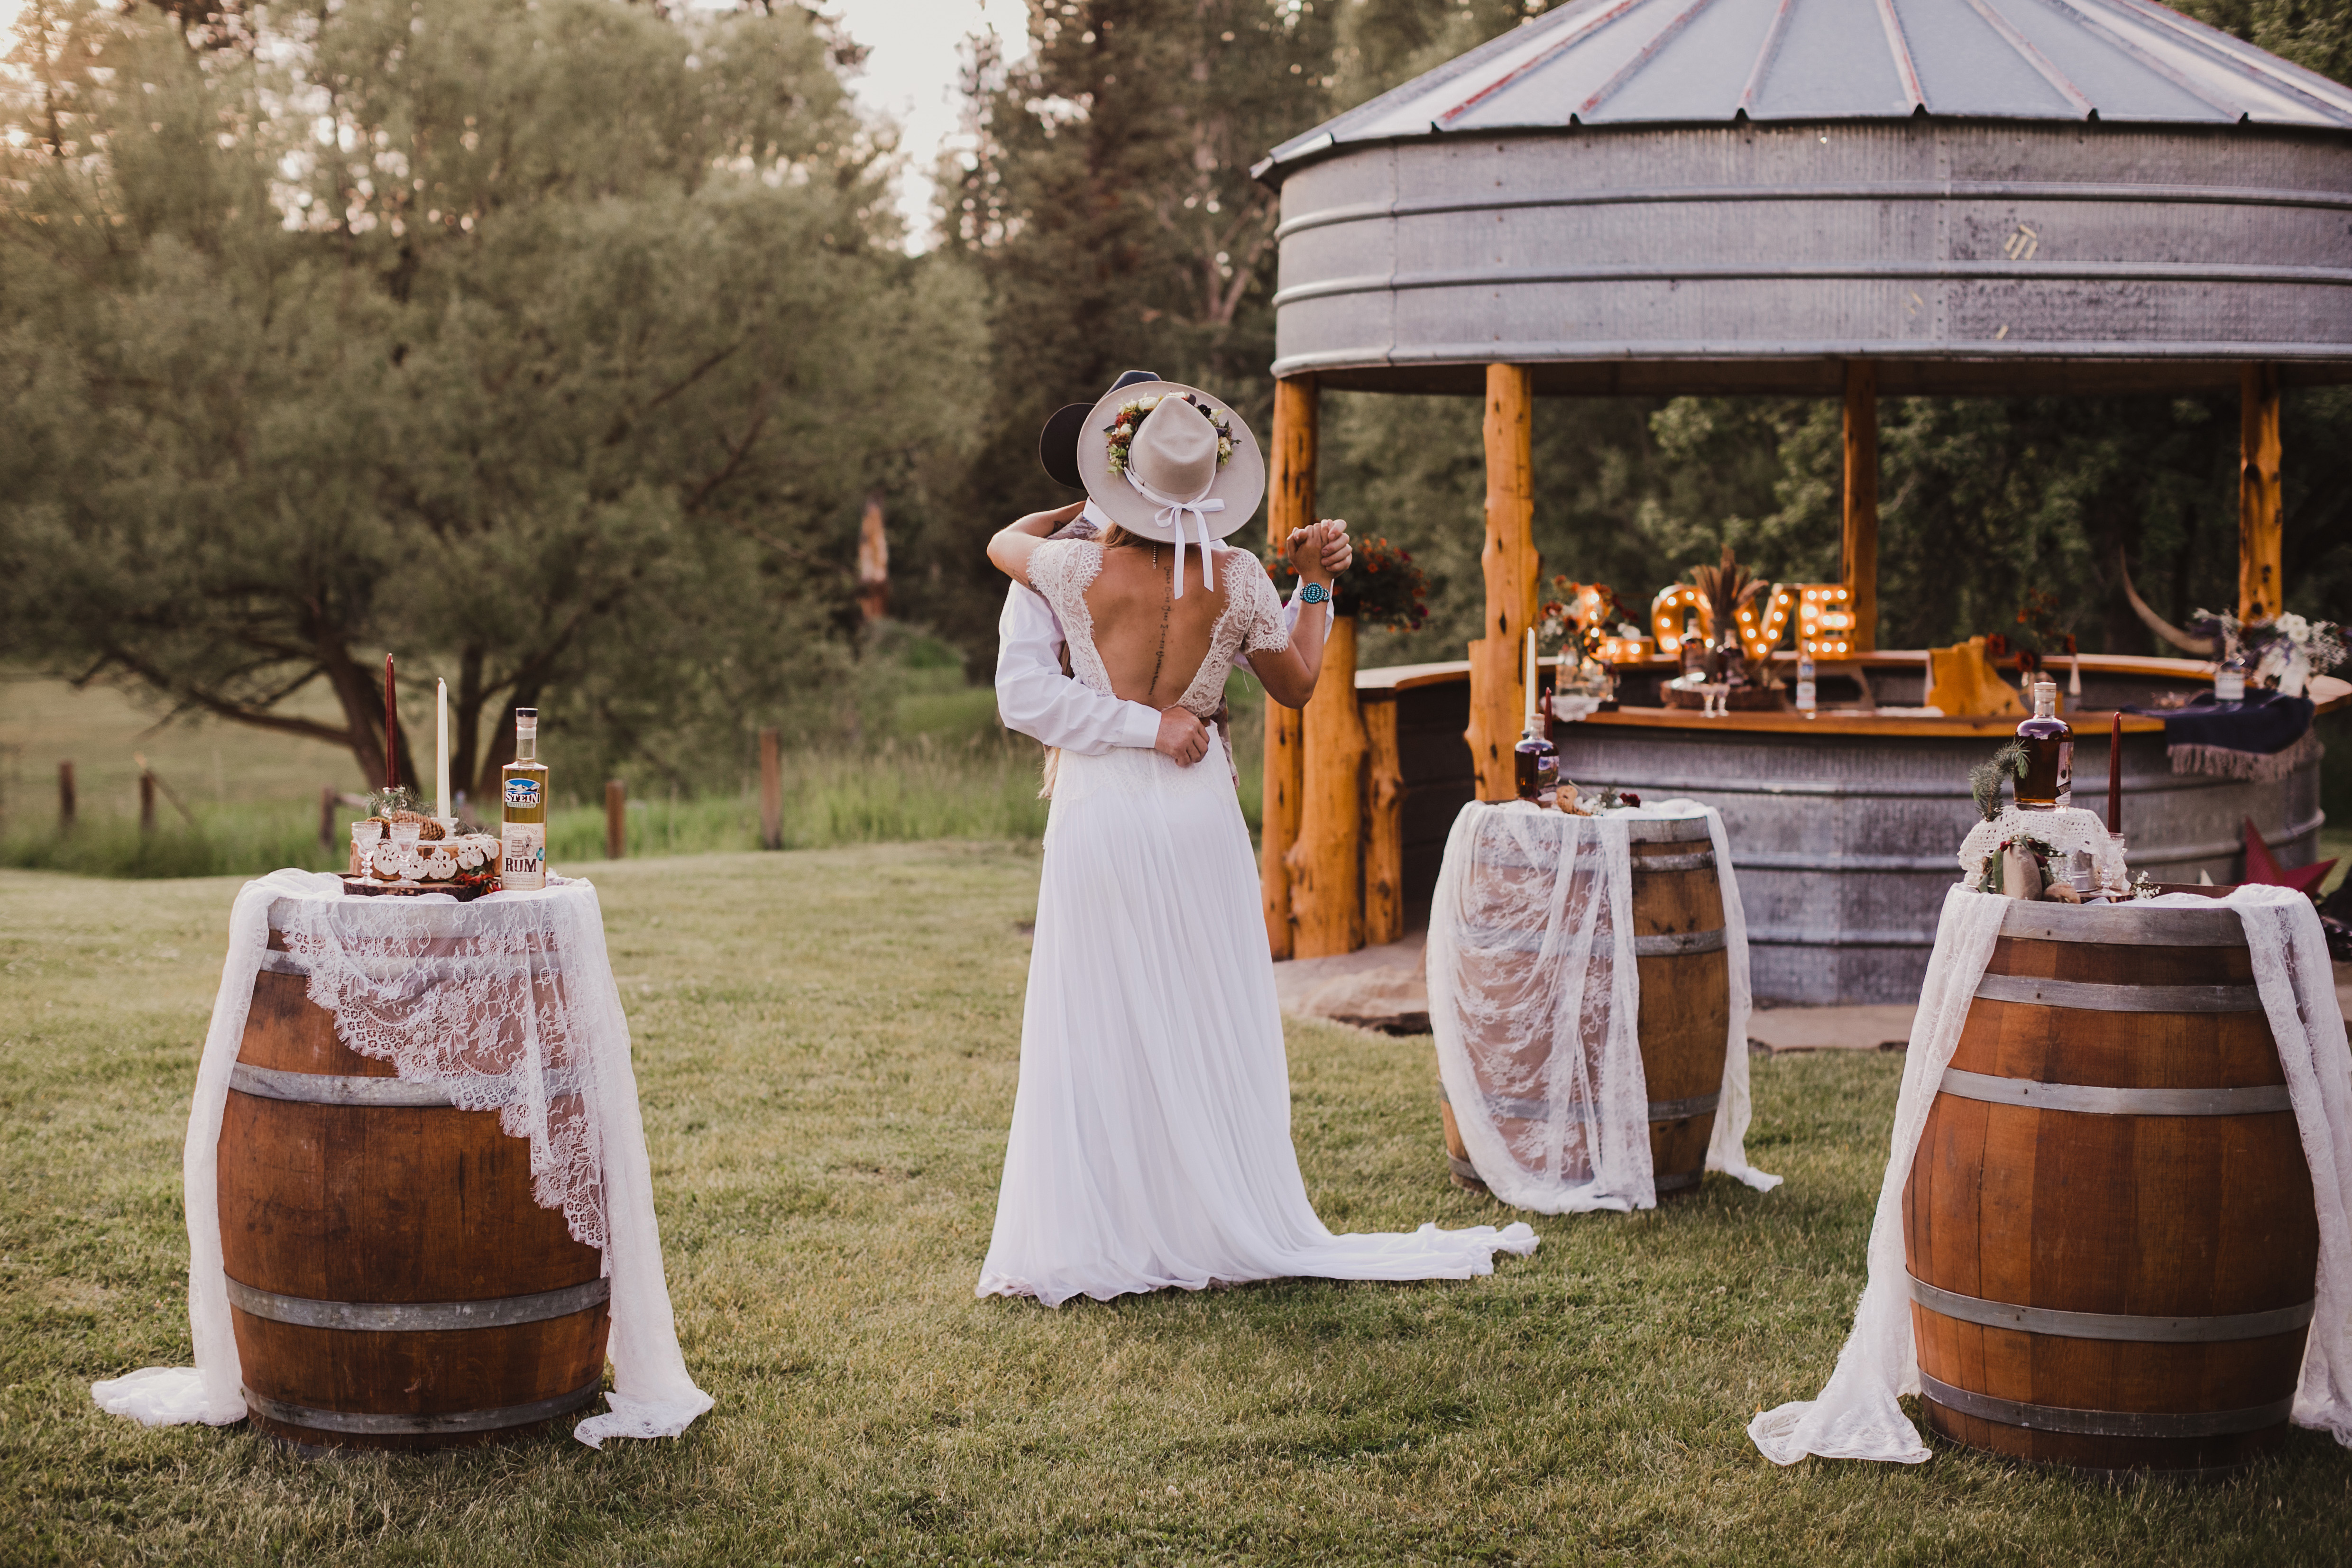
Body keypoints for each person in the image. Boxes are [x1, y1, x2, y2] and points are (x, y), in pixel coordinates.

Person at [976, 377, 1537, 1306]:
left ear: (1116, 486)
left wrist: (1085, 500)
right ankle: (1205, 1204)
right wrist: (1315, 577)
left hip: (1100, 807)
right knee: (1202, 1008)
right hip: (1192, 802)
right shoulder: (1238, 579)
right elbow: (1298, 681)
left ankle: (1107, 1222)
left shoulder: (1066, 570)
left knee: (1094, 1009)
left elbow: (1002, 544)